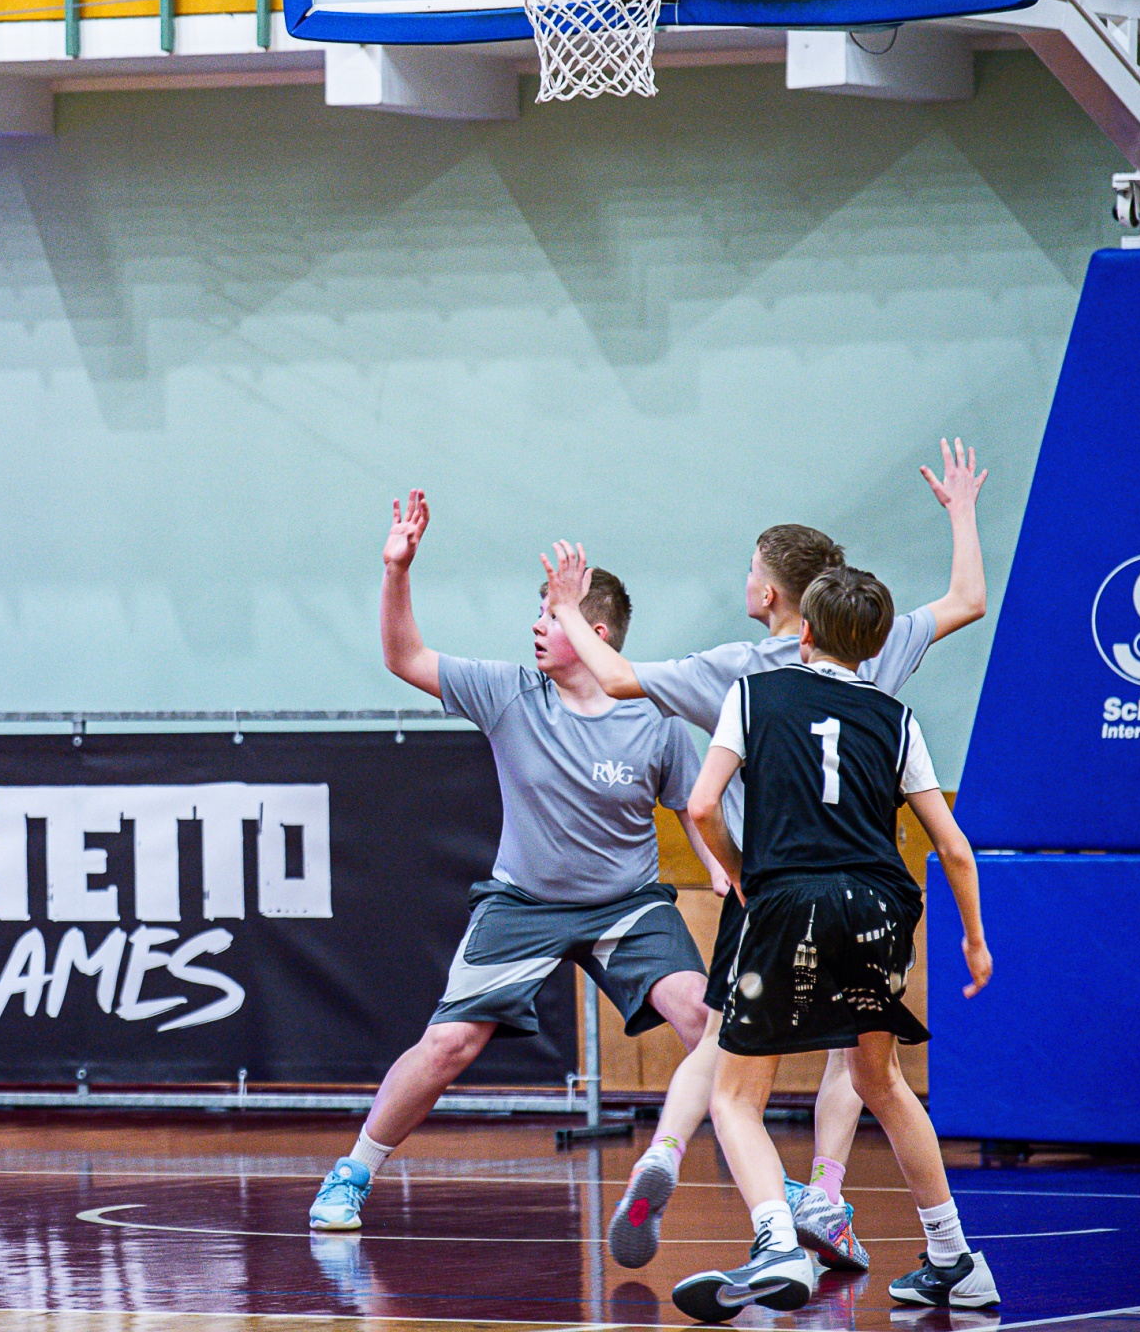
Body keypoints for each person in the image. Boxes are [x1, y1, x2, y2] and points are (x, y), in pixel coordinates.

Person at [542, 438, 987, 1271]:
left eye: (751, 568)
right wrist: (962, 511)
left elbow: (620, 682)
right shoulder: (874, 651)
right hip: (872, 888)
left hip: (775, 893)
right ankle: (838, 1198)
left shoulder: (742, 677)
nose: (744, 579)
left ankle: (687, 1168)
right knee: (868, 1067)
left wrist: (568, 609)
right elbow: (968, 599)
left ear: (778, 597)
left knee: (730, 1063)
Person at [308, 489, 726, 1233]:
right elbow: (404, 657)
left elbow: (695, 806)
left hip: (626, 905)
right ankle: (352, 1174)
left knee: (703, 1018)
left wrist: (721, 865)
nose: (535, 626)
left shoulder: (655, 718)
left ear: (593, 632)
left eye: (550, 615)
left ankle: (765, 1184)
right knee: (448, 1044)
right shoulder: (509, 693)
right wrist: (396, 570)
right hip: (524, 903)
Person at [672, 566, 997, 1321]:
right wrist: (975, 940)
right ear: (874, 646)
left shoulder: (754, 694)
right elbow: (952, 847)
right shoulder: (896, 717)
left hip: (789, 900)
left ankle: (776, 1242)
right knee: (880, 1082)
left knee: (734, 1096)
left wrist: (738, 871)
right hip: (880, 908)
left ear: (806, 632)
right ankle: (955, 1259)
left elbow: (702, 804)